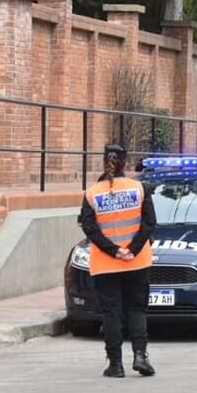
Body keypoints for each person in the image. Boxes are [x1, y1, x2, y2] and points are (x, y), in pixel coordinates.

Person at [78, 144, 157, 378]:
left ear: (106, 162)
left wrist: (114, 251)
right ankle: (141, 356)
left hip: (106, 264)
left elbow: (89, 228)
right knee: (137, 309)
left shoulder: (93, 193)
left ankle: (115, 365)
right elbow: (150, 223)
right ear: (126, 163)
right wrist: (131, 249)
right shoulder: (139, 188)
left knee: (111, 313)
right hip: (137, 261)